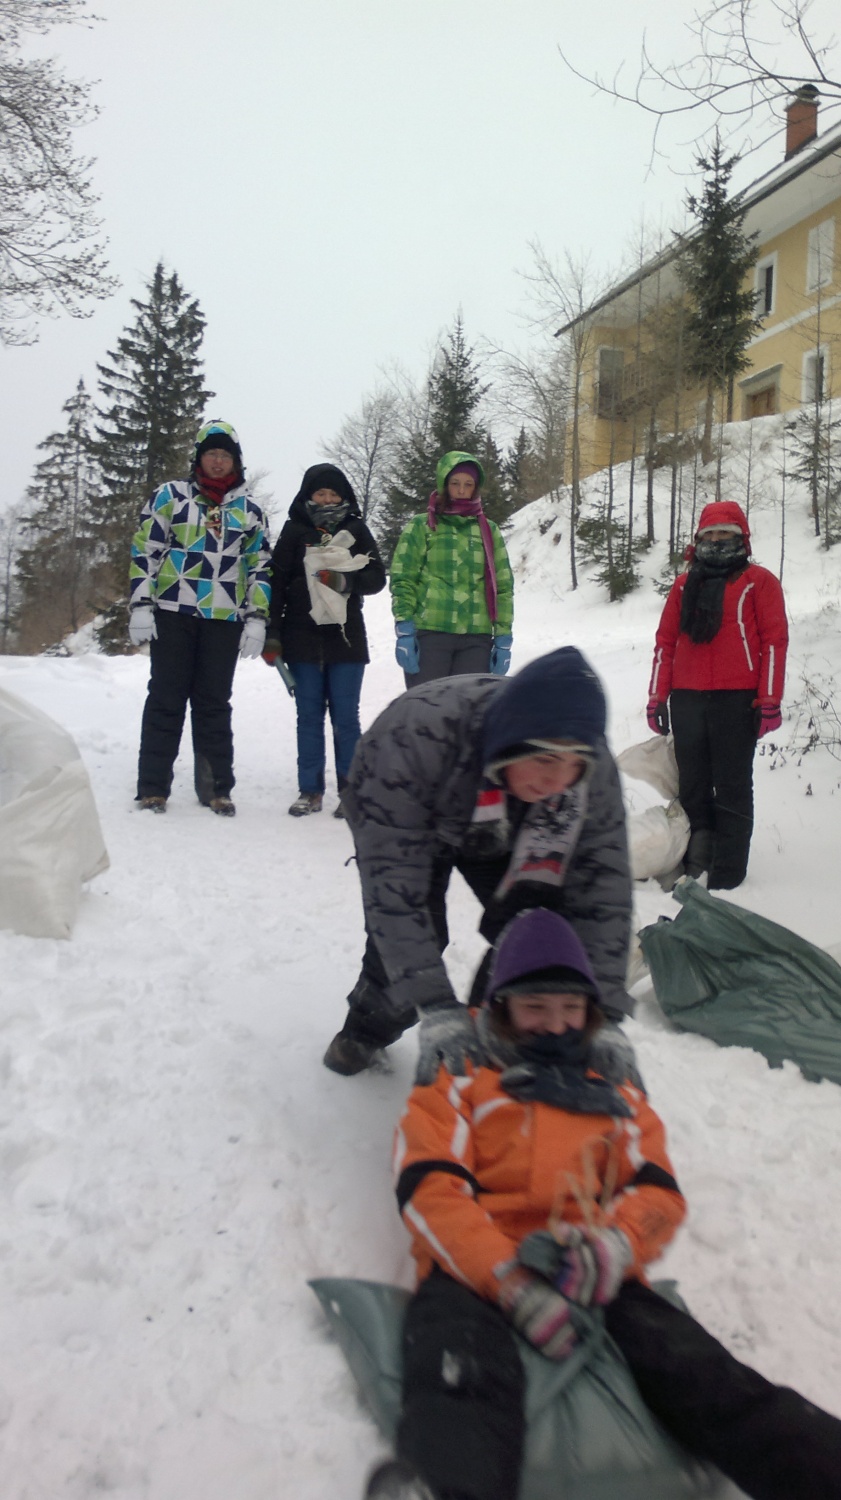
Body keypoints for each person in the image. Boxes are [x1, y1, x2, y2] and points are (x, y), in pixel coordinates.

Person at [363, 908, 841, 1500]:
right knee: (459, 1372)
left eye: (570, 1008)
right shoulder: (461, 1074)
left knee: (702, 1372)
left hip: (589, 1264)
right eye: (535, 1006)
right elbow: (431, 1187)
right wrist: (506, 1279)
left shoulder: (611, 1087)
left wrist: (616, 1245)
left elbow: (656, 1189)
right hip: (472, 1269)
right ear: (502, 1005)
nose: (555, 1024)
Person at [323, 646, 634, 1083]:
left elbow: (603, 890)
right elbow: (395, 893)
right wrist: (435, 1005)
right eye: (545, 758)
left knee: (536, 931)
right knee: (417, 938)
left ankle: (504, 1053)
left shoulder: (588, 772)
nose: (558, 780)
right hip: (416, 806)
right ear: (511, 743)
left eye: (573, 765)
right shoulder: (411, 742)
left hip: (511, 817)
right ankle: (363, 1033)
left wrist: (606, 1013)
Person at [128, 420, 270, 817]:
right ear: (198, 458)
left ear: (236, 461)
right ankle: (153, 787)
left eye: (226, 455)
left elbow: (260, 565)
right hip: (173, 612)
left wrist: (257, 617)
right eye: (211, 454)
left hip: (223, 618)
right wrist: (141, 605)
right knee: (166, 699)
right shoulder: (170, 496)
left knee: (213, 704)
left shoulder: (249, 510)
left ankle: (216, 789)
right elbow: (145, 550)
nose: (218, 461)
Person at [647, 500, 788, 889]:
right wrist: (657, 697)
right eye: (710, 534)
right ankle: (697, 860)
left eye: (726, 533)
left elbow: (774, 642)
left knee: (732, 785)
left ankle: (728, 873)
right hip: (688, 699)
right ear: (699, 539)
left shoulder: (759, 582)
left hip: (736, 700)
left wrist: (769, 700)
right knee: (692, 785)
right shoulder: (683, 585)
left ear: (742, 537)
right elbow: (665, 643)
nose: (717, 540)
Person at [263, 463, 386, 818]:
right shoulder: (294, 532)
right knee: (309, 716)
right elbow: (276, 585)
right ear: (308, 496)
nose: (328, 499)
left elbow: (377, 578)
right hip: (300, 639)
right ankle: (310, 790)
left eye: (334, 494)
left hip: (346, 640)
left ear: (344, 497)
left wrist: (346, 582)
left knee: (346, 718)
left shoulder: (355, 530)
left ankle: (351, 792)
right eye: (321, 493)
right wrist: (272, 633)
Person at [391, 451, 514, 687]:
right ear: (444, 484)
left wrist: (503, 638)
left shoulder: (489, 530)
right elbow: (403, 578)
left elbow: (503, 587)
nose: (461, 490)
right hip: (431, 634)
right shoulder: (422, 525)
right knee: (427, 707)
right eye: (455, 483)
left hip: (476, 639)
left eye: (468, 484)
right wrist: (404, 627)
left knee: (468, 709)